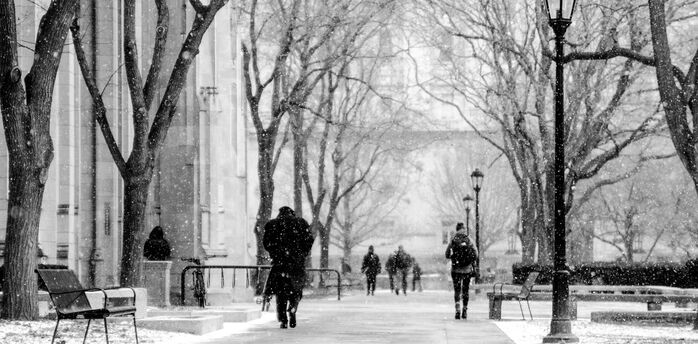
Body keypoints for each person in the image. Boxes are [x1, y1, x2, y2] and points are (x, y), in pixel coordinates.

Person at [263, 206, 315, 329]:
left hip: (280, 263)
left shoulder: (272, 224)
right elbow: (309, 240)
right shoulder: (301, 223)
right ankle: (293, 307)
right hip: (296, 263)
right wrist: (302, 253)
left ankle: (283, 319)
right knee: (296, 289)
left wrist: (274, 252)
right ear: (292, 213)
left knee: (280, 293)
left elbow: (266, 242)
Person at [445, 222, 478, 320]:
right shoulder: (469, 239)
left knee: (457, 290)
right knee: (465, 290)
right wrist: (470, 262)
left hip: (456, 269)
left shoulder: (453, 240)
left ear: (456, 229)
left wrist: (453, 257)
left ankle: (457, 309)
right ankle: (464, 310)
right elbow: (475, 254)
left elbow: (446, 254)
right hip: (467, 270)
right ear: (464, 229)